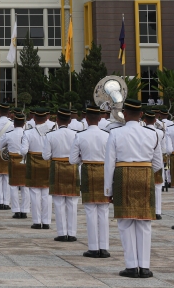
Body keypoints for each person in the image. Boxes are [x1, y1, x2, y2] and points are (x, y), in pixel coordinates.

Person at [104, 99, 163, 279]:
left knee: (125, 222)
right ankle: (144, 267)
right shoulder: (152, 134)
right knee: (144, 223)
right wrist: (143, 170)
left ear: (125, 114)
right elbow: (158, 163)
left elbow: (109, 165)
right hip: (145, 175)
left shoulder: (115, 133)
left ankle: (131, 266)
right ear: (141, 115)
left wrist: (108, 191)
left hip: (123, 175)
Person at [70, 105, 111, 258]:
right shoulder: (107, 135)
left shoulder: (80, 136)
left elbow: (72, 159)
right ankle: (104, 247)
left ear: (86, 119)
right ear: (100, 118)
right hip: (104, 172)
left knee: (90, 210)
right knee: (104, 210)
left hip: (87, 170)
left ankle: (93, 247)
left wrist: (84, 159)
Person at [44, 106, 79, 242]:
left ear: (57, 120)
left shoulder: (50, 135)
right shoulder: (76, 134)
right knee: (72, 202)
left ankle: (62, 233)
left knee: (59, 202)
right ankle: (72, 233)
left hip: (57, 167)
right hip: (72, 167)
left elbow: (46, 156)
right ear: (70, 121)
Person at [21, 108, 51, 230]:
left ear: (34, 118)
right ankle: (47, 221)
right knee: (47, 194)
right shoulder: (51, 131)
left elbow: (23, 150)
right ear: (46, 118)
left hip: (33, 164)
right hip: (47, 163)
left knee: (34, 194)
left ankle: (37, 221)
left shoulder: (28, 133)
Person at [0, 111, 29, 219]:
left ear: (14, 123)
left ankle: (16, 211)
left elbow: (0, 147)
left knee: (13, 187)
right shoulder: (28, 133)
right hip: (25, 160)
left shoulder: (9, 134)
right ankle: (25, 210)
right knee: (25, 187)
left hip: (13, 161)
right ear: (24, 123)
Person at [143, 109, 165, 219]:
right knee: (157, 187)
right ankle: (158, 211)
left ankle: (147, 208)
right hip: (157, 161)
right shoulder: (160, 132)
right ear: (155, 120)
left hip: (145, 161)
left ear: (144, 120)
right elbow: (164, 148)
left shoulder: (142, 131)